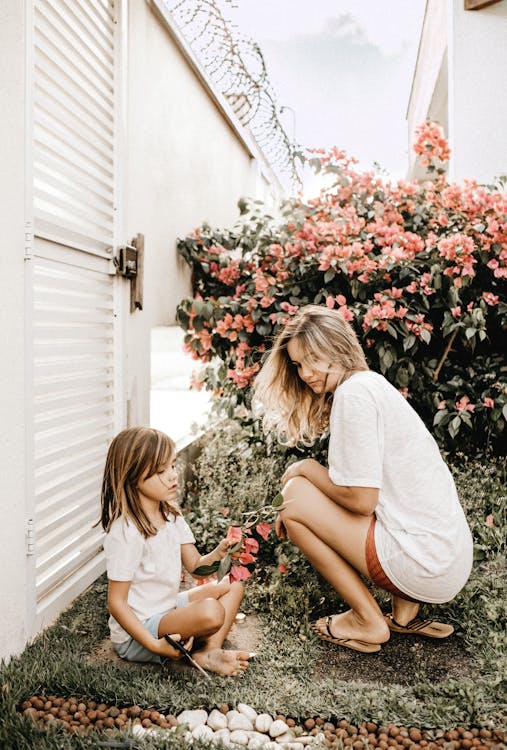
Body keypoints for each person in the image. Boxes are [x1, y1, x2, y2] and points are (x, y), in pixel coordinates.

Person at [253, 305, 473, 653]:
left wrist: (305, 468)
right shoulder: (372, 386)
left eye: (312, 358)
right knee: (358, 501)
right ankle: (403, 612)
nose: (306, 372)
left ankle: (366, 619)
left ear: (337, 347)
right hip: (447, 559)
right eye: (297, 364)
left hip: (422, 563)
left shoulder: (353, 394)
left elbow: (360, 501)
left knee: (294, 497)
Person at [99, 426, 252, 675]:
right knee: (212, 612)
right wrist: (153, 645)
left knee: (233, 585)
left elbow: (195, 565)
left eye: (172, 465)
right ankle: (198, 645)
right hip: (141, 630)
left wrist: (219, 554)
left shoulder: (170, 514)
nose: (172, 476)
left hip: (168, 607)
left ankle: (208, 651)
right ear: (132, 476)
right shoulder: (126, 532)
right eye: (161, 471)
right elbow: (116, 603)